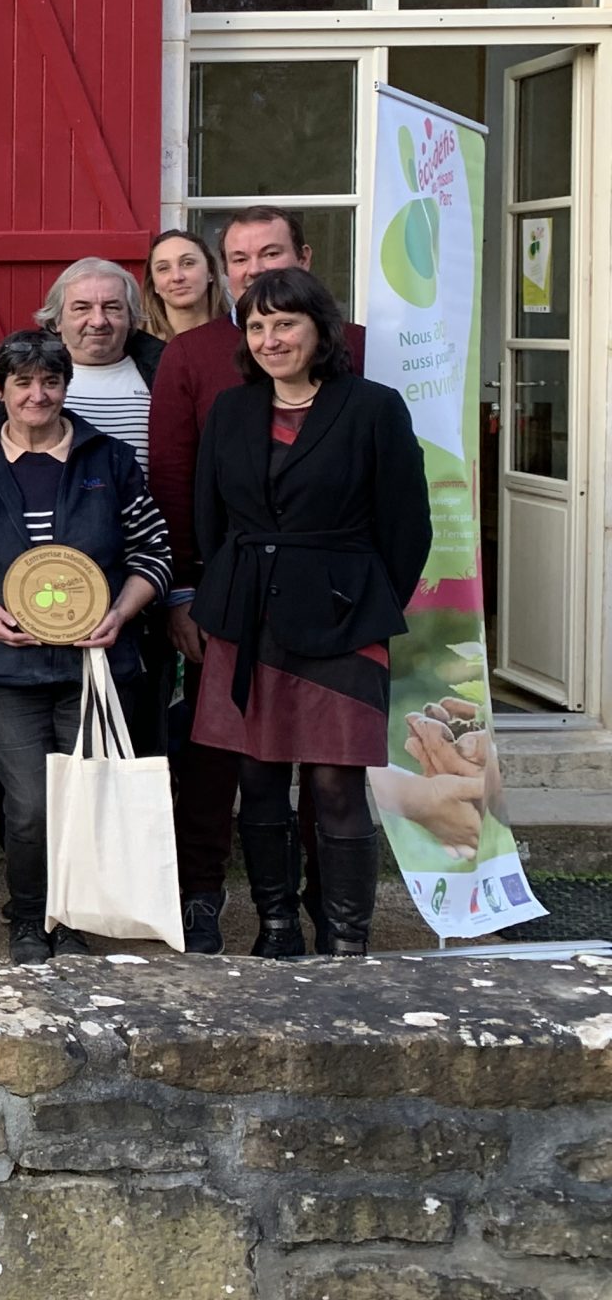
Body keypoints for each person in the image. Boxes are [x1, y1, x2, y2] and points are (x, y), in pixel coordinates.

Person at [146, 205, 369, 953]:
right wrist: (190, 592)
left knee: (333, 771)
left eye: (269, 254)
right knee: (229, 763)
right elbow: (178, 484)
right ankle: (211, 898)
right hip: (235, 599)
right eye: (238, 259)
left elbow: (396, 503)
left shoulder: (358, 352)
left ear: (303, 258)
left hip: (338, 603)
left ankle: (332, 917)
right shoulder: (195, 357)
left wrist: (366, 595)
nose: (253, 271)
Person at [191, 268, 429, 959]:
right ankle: (277, 928)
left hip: (342, 618)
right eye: (256, 326)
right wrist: (230, 588)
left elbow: (407, 528)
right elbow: (209, 517)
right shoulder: (231, 409)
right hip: (247, 615)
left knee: (336, 783)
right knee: (258, 779)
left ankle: (346, 939)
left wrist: (358, 598)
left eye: (285, 324)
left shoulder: (374, 407)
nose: (270, 339)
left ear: (320, 330)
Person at [0, 330, 170, 964]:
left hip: (95, 662)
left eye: (50, 382)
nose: (37, 395)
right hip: (5, 665)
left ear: (66, 387)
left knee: (82, 799)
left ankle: (68, 918)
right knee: (30, 804)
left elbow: (153, 553)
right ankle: (26, 916)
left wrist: (120, 614)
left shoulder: (110, 459)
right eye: (22, 383)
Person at [0, 258, 163, 462]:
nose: (98, 321)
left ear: (131, 318)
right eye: (82, 308)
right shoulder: (14, 375)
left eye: (112, 307)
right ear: (57, 319)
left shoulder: (162, 371)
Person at [143, 227, 230, 342]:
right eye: (163, 268)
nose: (177, 277)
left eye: (187, 263)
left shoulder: (243, 339)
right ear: (153, 283)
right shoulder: (137, 348)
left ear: (211, 271)